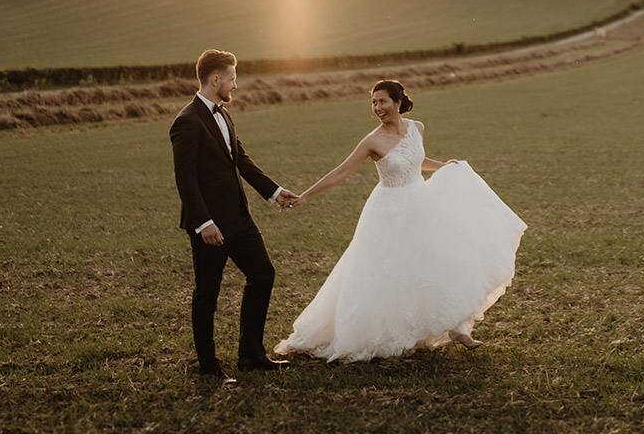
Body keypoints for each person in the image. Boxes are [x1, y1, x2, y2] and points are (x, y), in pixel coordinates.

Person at [275, 79, 526, 361]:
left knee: (435, 260)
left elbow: (415, 160)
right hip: (387, 211)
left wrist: (444, 166)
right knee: (387, 271)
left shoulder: (416, 128)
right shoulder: (372, 141)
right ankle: (382, 331)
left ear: (397, 102)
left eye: (382, 101)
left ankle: (455, 328)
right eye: (373, 102)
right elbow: (341, 172)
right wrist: (306, 195)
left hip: (419, 202)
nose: (377, 108)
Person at [170, 49, 299, 384]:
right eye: (232, 78)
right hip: (210, 224)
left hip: (240, 219)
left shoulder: (224, 115)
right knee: (207, 293)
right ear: (216, 79)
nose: (235, 85)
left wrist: (274, 191)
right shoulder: (186, 121)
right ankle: (209, 369)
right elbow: (185, 179)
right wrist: (204, 223)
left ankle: (251, 356)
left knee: (263, 274)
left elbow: (239, 159)